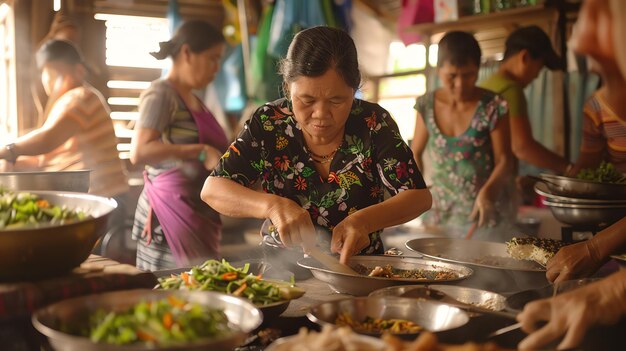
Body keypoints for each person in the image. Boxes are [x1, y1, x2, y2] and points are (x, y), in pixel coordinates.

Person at [201, 26, 432, 264]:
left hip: (359, 268)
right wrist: (273, 206)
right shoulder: (269, 123)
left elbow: (418, 197)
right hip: (283, 270)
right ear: (288, 87)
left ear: (354, 90)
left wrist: (363, 221)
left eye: (337, 100)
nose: (321, 114)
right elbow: (213, 189)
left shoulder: (373, 124)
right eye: (307, 100)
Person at [518, 0, 626, 349]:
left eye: (606, 9)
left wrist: (595, 250)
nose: (578, 42)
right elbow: (589, 170)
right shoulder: (597, 106)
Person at [129, 20, 229, 271]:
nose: (217, 68)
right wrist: (200, 151)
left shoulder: (194, 98)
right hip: (168, 216)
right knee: (172, 300)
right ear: (187, 53)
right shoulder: (162, 94)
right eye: (212, 58)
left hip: (196, 212)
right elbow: (139, 151)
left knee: (201, 296)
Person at [410, 31, 513, 238]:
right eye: (452, 76)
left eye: (468, 75)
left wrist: (487, 194)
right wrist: (419, 191)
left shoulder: (493, 105)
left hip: (481, 213)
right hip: (437, 214)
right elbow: (415, 152)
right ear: (439, 71)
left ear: (478, 70)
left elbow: (505, 160)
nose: (460, 84)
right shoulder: (426, 105)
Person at [0, 39, 128, 199]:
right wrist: (11, 162)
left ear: (79, 71)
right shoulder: (63, 105)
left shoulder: (82, 96)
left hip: (102, 196)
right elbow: (42, 159)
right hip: (85, 195)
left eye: (56, 74)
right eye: (46, 73)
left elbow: (47, 139)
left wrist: (9, 150)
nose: (48, 79)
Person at [479, 25, 571, 175]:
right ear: (525, 57)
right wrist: (569, 168)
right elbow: (522, 147)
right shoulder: (510, 90)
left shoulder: (486, 85)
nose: (536, 76)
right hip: (496, 187)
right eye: (539, 68)